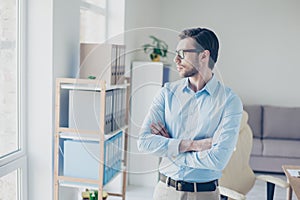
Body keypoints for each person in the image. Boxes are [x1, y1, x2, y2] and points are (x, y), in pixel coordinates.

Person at [137, 27, 243, 200]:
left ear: (203, 56)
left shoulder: (230, 101)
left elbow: (218, 159)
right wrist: (193, 145)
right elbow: (144, 142)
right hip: (165, 191)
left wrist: (171, 148)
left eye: (182, 53)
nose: (175, 59)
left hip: (204, 194)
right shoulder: (167, 93)